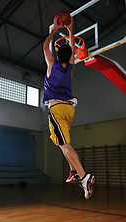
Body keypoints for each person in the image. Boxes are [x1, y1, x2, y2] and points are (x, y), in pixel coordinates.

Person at [43, 16, 95, 200]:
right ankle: (73, 171)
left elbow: (45, 46)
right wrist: (71, 31)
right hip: (69, 110)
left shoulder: (51, 63)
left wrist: (55, 29)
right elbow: (72, 50)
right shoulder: (71, 66)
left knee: (64, 144)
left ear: (58, 54)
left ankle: (83, 176)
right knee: (60, 142)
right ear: (70, 56)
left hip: (56, 109)